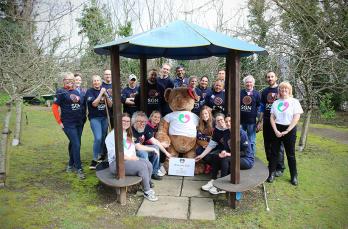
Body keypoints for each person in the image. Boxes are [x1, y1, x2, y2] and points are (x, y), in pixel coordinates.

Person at [105, 113, 158, 201]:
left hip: (128, 160)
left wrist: (134, 156)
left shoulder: (127, 133)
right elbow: (116, 155)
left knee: (148, 164)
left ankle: (145, 184)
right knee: (142, 167)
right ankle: (147, 191)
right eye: (123, 121)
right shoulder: (112, 136)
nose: (125, 123)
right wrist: (131, 159)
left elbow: (131, 149)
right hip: (117, 163)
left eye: (127, 121)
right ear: (118, 122)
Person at [201, 115, 254, 195]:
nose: (228, 123)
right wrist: (224, 152)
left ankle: (222, 187)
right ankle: (213, 180)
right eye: (226, 122)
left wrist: (229, 154)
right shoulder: (227, 134)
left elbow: (245, 152)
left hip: (246, 160)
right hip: (233, 157)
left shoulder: (241, 133)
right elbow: (227, 148)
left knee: (225, 159)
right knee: (217, 156)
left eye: (230, 121)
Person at [268, 82, 303, 185]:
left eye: (286, 89)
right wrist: (276, 131)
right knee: (274, 153)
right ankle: (272, 173)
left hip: (290, 129)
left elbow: (296, 117)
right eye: (282, 89)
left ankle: (294, 176)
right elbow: (272, 117)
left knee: (290, 154)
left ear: (289, 90)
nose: (284, 91)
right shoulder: (276, 103)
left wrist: (287, 130)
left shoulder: (294, 102)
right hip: (277, 129)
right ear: (279, 91)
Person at [52, 72, 85, 179]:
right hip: (68, 123)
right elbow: (54, 108)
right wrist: (59, 122)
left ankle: (70, 165)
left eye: (72, 80)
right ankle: (79, 168)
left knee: (74, 143)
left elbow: (81, 105)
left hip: (79, 123)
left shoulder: (77, 91)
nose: (70, 81)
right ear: (64, 81)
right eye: (67, 80)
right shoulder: (60, 92)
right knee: (76, 144)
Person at [258, 71, 286, 177]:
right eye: (268, 77)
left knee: (279, 145)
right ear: (266, 79)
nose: (270, 78)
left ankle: (280, 167)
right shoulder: (265, 91)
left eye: (272, 76)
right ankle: (271, 164)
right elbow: (261, 107)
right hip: (267, 121)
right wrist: (260, 121)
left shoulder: (281, 89)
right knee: (267, 144)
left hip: (278, 122)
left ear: (276, 77)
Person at [131, 111, 171, 180]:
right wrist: (153, 149)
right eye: (139, 121)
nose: (142, 123)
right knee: (143, 153)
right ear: (134, 121)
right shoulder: (131, 130)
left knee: (156, 147)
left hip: (141, 148)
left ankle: (154, 173)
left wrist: (166, 153)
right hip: (132, 152)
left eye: (144, 122)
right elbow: (137, 147)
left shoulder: (145, 127)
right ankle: (146, 177)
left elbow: (155, 141)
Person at [85, 75, 113, 170]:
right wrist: (101, 94)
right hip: (95, 118)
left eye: (98, 81)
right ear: (92, 82)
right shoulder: (90, 92)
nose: (96, 82)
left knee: (104, 137)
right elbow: (94, 104)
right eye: (94, 81)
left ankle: (102, 156)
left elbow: (110, 104)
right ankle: (94, 159)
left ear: (101, 82)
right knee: (98, 138)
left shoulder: (104, 90)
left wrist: (106, 95)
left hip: (104, 117)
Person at [240, 75, 261, 156]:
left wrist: (259, 121)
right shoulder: (240, 92)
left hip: (251, 122)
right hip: (240, 121)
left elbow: (259, 107)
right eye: (247, 82)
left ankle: (251, 156)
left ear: (253, 84)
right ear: (244, 84)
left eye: (250, 82)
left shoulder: (257, 94)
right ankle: (242, 155)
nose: (248, 84)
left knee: (251, 140)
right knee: (240, 139)